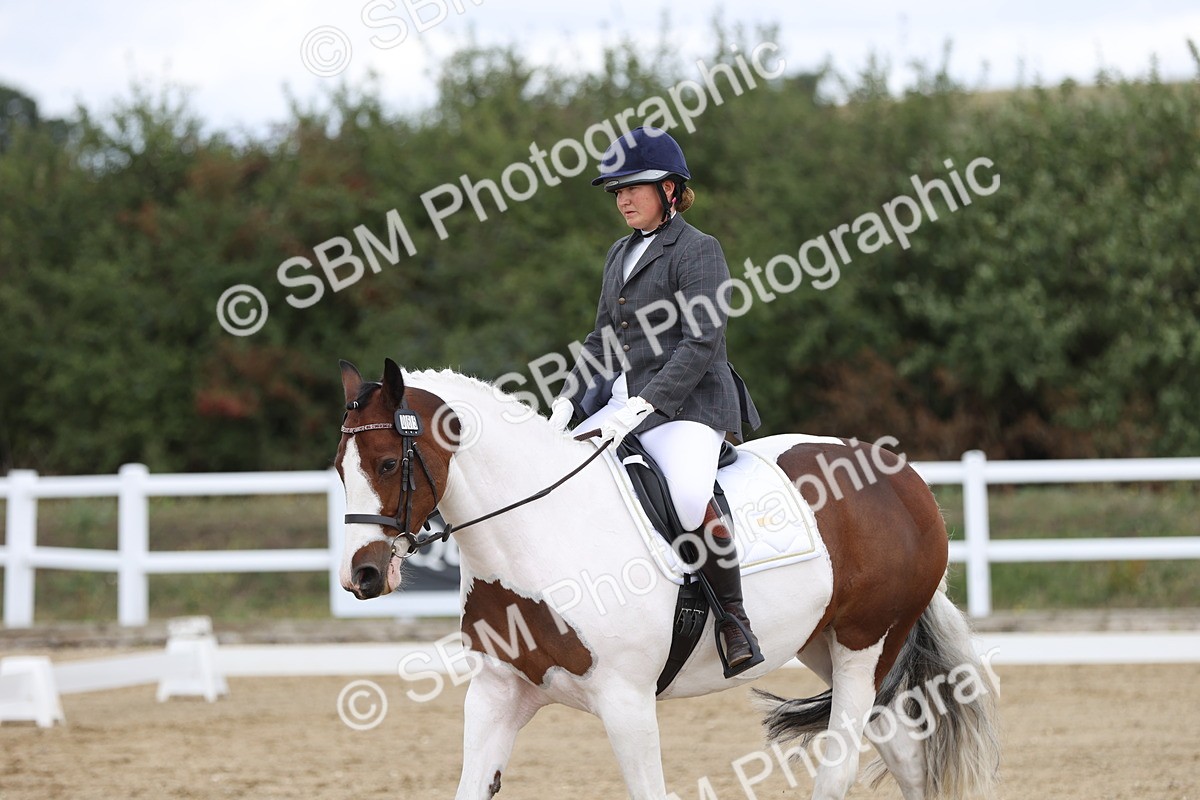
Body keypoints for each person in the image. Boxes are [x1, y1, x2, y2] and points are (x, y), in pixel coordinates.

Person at [548, 126, 764, 676]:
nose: (622, 199)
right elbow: (602, 340)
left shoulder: (698, 250)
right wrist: (568, 404)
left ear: (670, 190)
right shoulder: (619, 253)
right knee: (561, 472)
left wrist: (645, 404)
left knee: (690, 496)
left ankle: (735, 621)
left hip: (690, 403)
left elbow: (701, 341)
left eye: (633, 188)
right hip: (626, 397)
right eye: (616, 190)